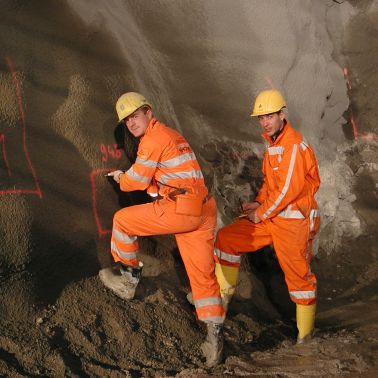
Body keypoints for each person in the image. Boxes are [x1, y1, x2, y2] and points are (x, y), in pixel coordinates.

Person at [99, 92, 225, 366]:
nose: (131, 124)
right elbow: (170, 178)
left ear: (148, 111)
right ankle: (214, 342)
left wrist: (122, 178)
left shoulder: (152, 140)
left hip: (182, 210)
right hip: (203, 209)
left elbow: (137, 180)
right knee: (203, 277)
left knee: (123, 220)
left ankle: (128, 282)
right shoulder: (172, 136)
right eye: (126, 120)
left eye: (134, 116)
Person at [213, 89, 321, 344]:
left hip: (295, 220)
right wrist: (258, 203)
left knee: (299, 280)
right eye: (261, 118)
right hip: (273, 216)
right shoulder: (274, 145)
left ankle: (305, 339)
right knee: (227, 239)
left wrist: (261, 212)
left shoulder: (292, 144)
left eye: (270, 116)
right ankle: (217, 308)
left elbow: (288, 191)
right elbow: (271, 185)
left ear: (282, 115)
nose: (265, 122)